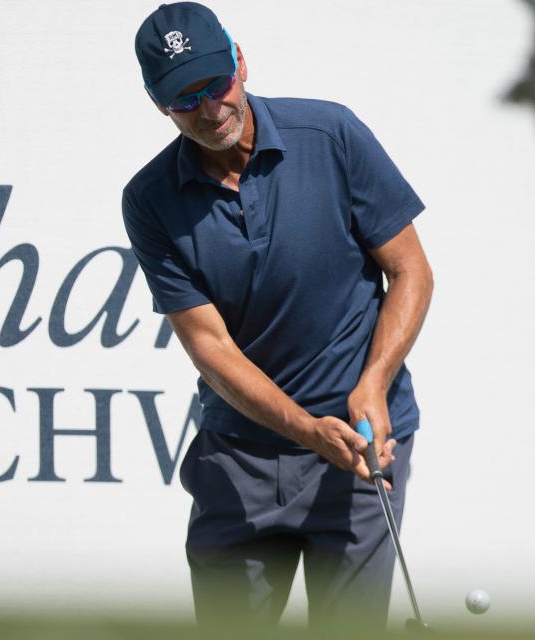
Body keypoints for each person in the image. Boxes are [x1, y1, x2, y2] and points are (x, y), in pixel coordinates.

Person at [121, 2, 434, 629]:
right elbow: (210, 348)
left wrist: (372, 382)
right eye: (187, 99)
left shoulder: (332, 135)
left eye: (217, 83)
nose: (212, 109)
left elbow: (410, 271)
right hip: (239, 458)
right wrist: (303, 427)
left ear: (240, 61)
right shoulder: (149, 199)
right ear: (159, 104)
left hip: (360, 449)